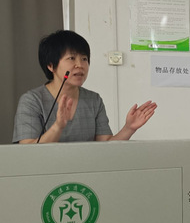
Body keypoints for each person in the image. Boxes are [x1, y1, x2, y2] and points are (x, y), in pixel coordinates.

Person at [13, 30, 157, 143]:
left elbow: (106, 147)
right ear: (51, 65)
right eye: (71, 58)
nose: (80, 65)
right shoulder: (32, 100)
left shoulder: (93, 100)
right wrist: (58, 126)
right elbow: (28, 150)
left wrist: (129, 128)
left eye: (84, 59)